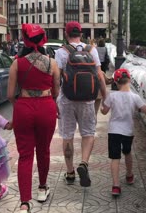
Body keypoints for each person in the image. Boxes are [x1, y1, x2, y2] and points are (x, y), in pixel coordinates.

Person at [7, 23, 60, 212]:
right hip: (46, 107)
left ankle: (24, 203)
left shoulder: (16, 63)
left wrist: (20, 106)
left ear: (25, 40)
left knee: (25, 155)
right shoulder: (52, 63)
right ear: (43, 39)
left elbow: (10, 94)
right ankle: (42, 188)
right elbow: (56, 91)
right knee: (43, 150)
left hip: (24, 108)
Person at [55, 21, 107, 187]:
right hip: (87, 100)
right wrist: (106, 97)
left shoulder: (61, 52)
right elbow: (99, 75)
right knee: (88, 133)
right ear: (81, 33)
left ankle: (70, 173)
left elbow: (56, 79)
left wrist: (54, 99)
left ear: (66, 33)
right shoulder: (92, 50)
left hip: (67, 100)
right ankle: (84, 163)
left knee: (67, 135)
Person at [100, 68, 146, 196]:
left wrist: (102, 107)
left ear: (116, 82)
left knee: (115, 157)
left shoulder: (112, 96)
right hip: (128, 131)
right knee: (127, 152)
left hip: (114, 131)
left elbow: (104, 111)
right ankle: (129, 175)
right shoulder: (135, 97)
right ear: (130, 80)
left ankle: (115, 185)